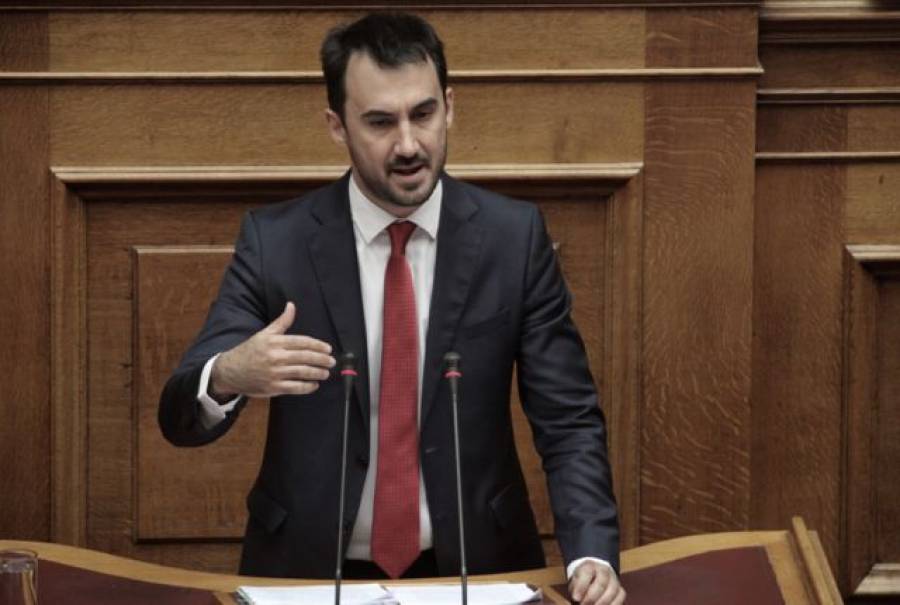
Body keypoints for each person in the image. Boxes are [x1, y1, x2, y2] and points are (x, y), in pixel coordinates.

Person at [158, 11, 624, 605]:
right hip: (307, 574)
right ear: (337, 126)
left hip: (477, 570)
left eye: (423, 114)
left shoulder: (514, 239)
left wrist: (590, 551)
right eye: (380, 122)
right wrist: (227, 374)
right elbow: (179, 417)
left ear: (449, 106)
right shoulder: (276, 242)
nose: (408, 145)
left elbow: (568, 418)